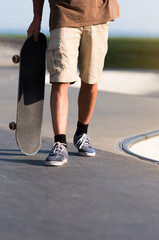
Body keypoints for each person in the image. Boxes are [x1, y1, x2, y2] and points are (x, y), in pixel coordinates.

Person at [27, 0, 120, 166]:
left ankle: (82, 133)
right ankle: (60, 142)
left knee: (91, 80)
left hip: (98, 15)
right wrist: (36, 18)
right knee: (60, 80)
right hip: (64, 14)